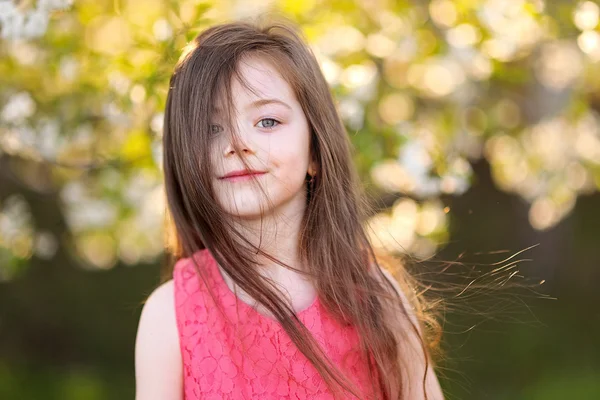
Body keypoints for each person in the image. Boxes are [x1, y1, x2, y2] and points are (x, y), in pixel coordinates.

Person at [134, 16, 445, 400]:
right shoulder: (170, 316)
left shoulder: (374, 294)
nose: (237, 143)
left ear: (315, 150)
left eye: (267, 121)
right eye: (212, 129)